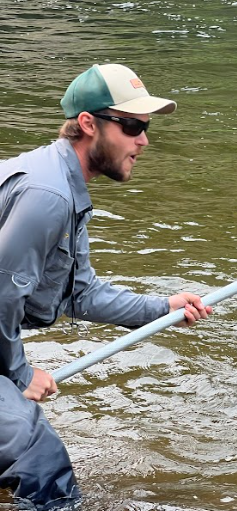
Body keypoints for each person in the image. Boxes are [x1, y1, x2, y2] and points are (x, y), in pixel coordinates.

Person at [0, 63, 212, 510]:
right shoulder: (48, 195)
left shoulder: (64, 187)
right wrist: (21, 375)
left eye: (145, 127)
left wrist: (163, 308)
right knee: (39, 457)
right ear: (88, 124)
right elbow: (0, 299)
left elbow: (80, 293)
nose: (143, 140)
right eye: (132, 126)